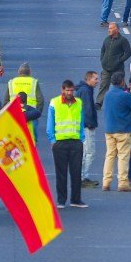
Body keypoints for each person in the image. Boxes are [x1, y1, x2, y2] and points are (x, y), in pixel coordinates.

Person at [47, 80, 87, 209]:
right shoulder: (55, 102)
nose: (69, 93)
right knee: (61, 173)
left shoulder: (79, 103)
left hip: (76, 142)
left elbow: (81, 122)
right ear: (62, 90)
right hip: (60, 143)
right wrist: (52, 140)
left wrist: (82, 138)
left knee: (76, 172)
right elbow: (50, 123)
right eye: (67, 90)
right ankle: (61, 200)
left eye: (71, 90)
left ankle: (76, 199)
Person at [100, 72, 131, 192]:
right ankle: (122, 183)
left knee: (110, 156)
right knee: (123, 157)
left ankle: (106, 182)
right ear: (122, 81)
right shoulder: (125, 95)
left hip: (109, 130)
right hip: (123, 129)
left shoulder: (108, 94)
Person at [80, 70, 101, 187]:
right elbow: (87, 109)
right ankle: (83, 177)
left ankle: (82, 176)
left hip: (83, 126)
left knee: (85, 152)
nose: (97, 81)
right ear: (88, 79)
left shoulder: (85, 90)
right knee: (89, 152)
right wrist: (90, 124)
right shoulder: (86, 91)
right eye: (95, 79)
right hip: (86, 126)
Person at [9, 63, 44, 129]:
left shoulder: (12, 82)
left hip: (15, 114)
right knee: (32, 137)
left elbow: (6, 100)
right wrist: (37, 113)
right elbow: (40, 100)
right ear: (30, 72)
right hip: (31, 114)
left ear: (18, 72)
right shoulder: (33, 82)